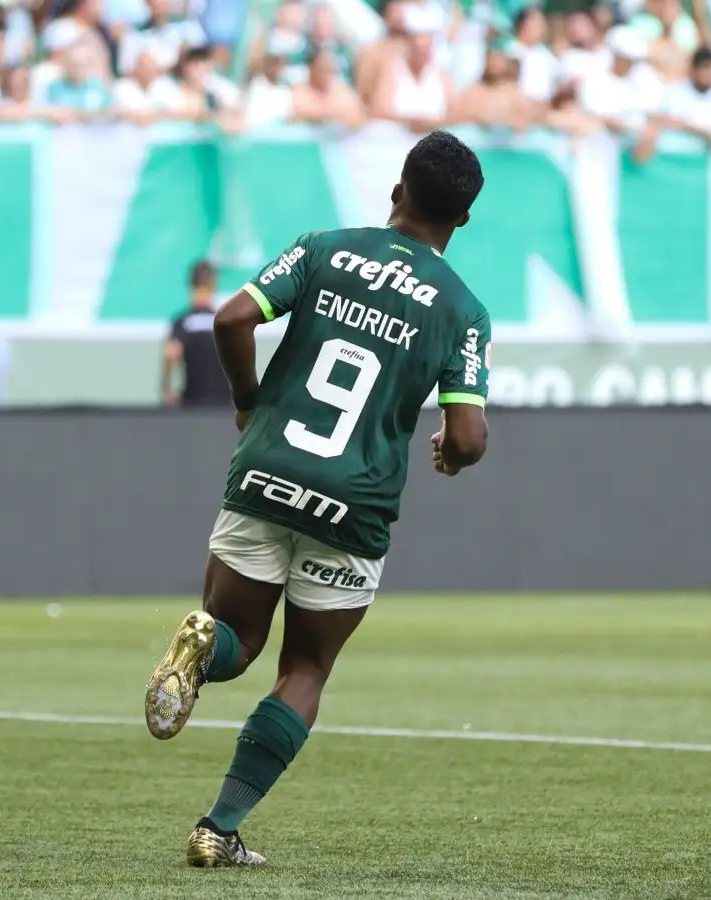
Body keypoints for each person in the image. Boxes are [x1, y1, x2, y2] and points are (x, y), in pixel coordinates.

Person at [142, 131, 491, 867]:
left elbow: (232, 318)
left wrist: (248, 400)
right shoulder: (462, 309)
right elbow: (468, 435)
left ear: (398, 188)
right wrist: (450, 457)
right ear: (462, 221)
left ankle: (203, 648)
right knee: (303, 671)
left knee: (235, 643)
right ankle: (218, 828)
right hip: (354, 505)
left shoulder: (324, 248)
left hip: (267, 471)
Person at [161, 260, 227, 407]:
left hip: (192, 403)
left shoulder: (182, 322)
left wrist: (166, 391)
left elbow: (171, 354)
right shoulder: (223, 321)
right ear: (214, 283)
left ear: (190, 283)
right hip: (223, 404)